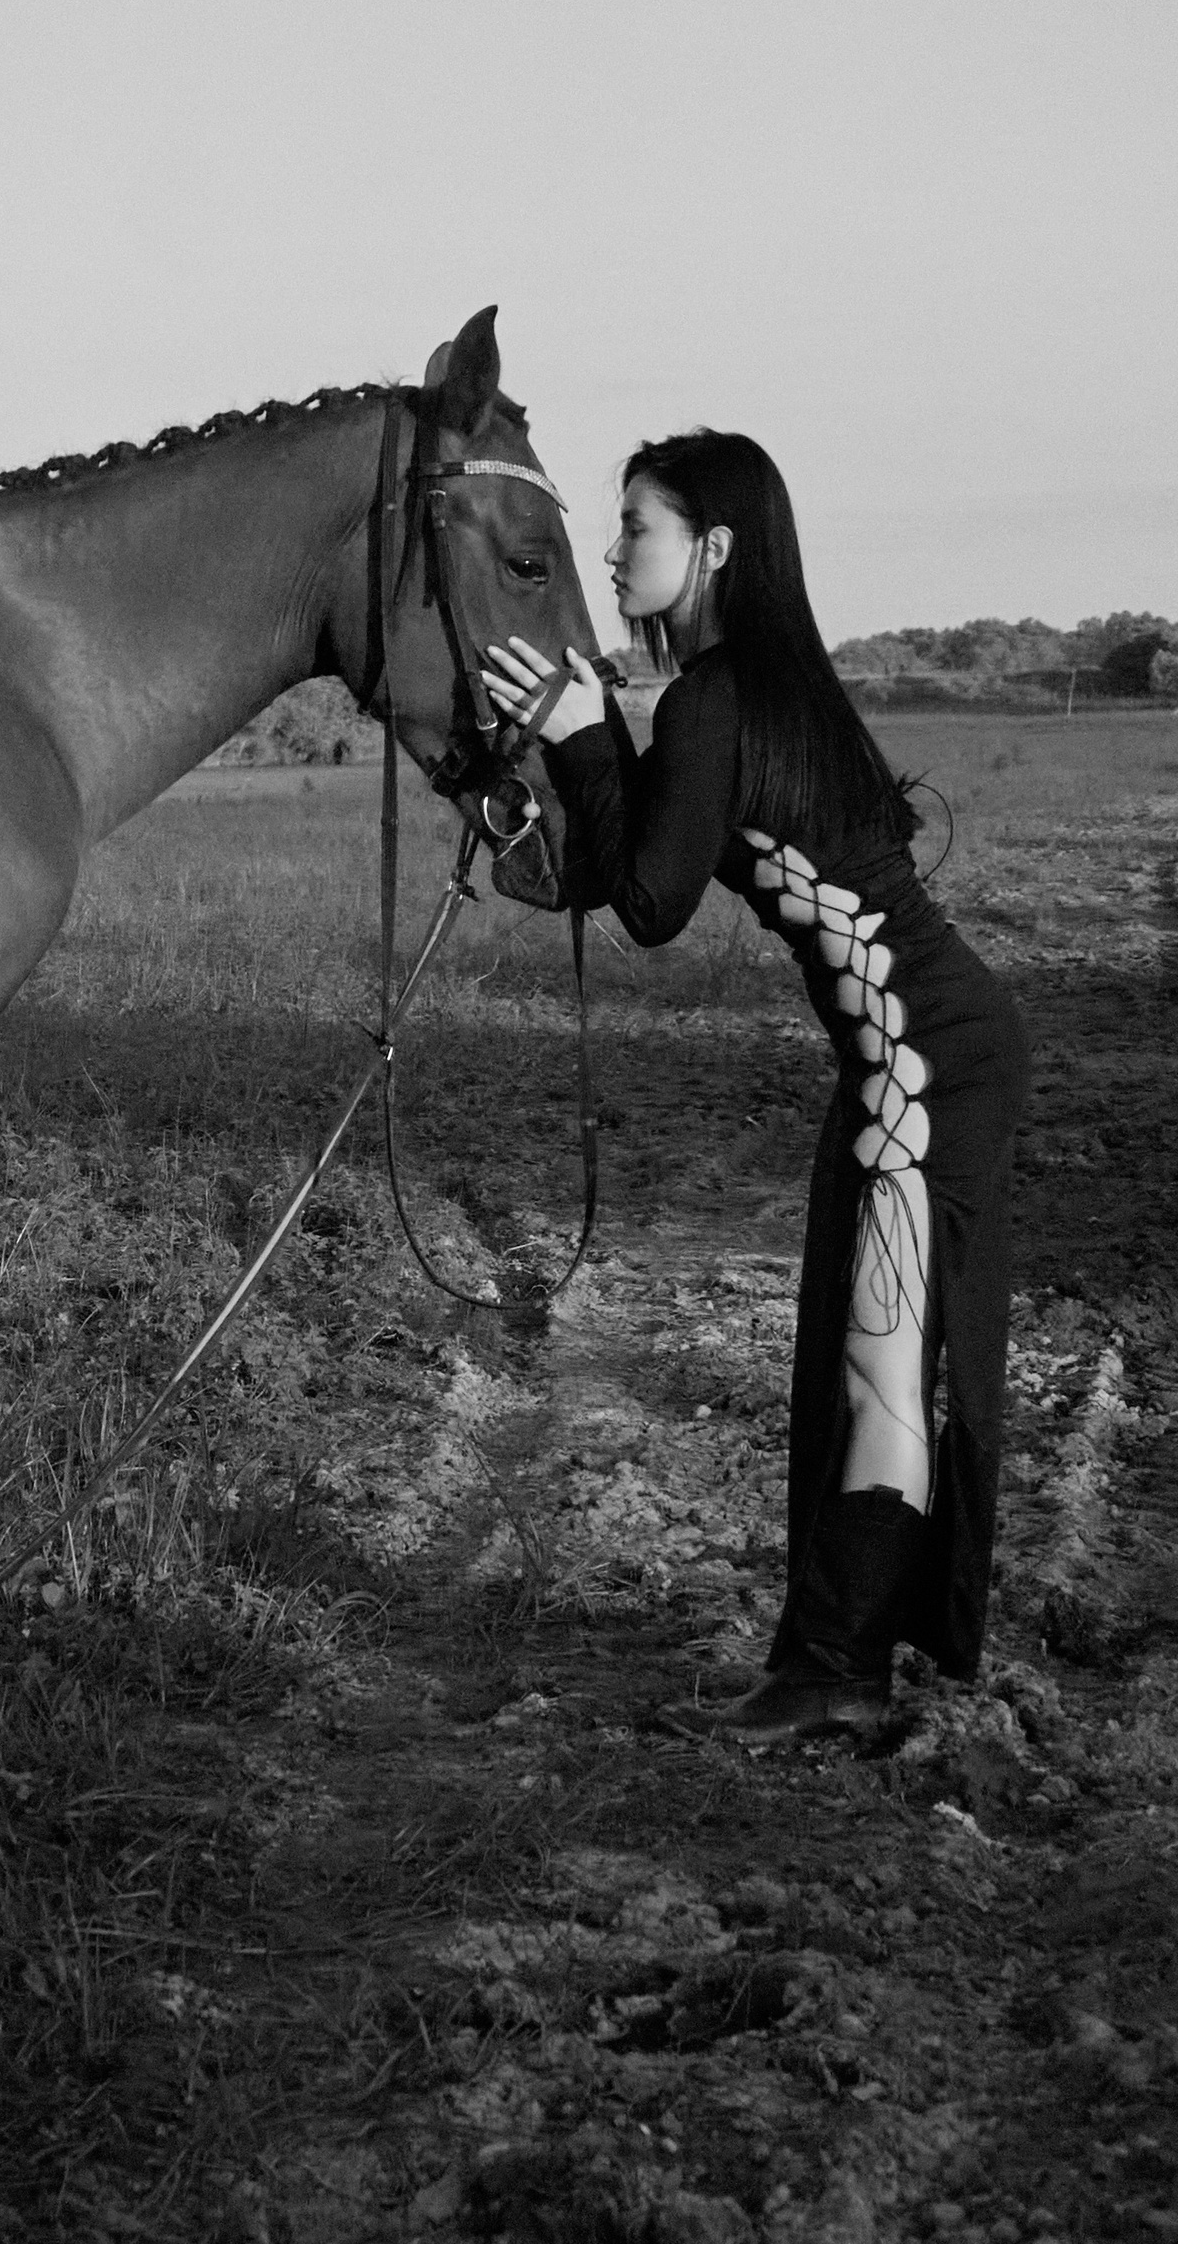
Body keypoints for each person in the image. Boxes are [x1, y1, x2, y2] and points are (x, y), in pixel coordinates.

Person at [481, 432, 1030, 1745]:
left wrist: (580, 731)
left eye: (635, 528)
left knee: (878, 1358)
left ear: (713, 547)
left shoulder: (717, 697)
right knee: (861, 1350)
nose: (613, 555)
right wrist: (570, 756)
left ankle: (838, 1670)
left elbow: (656, 902)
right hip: (919, 1056)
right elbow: (636, 859)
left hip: (924, 1062)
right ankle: (837, 1656)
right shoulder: (755, 689)